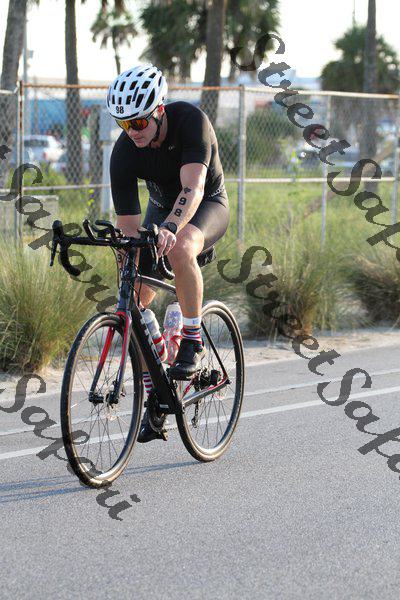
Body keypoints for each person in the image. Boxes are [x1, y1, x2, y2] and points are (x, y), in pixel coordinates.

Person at [107, 64, 230, 441]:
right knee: (131, 301)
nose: (132, 131)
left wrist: (172, 228)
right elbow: (129, 226)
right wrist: (128, 259)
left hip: (205, 205)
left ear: (159, 110)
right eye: (124, 123)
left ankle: (192, 339)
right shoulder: (124, 151)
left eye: (138, 122)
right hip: (160, 212)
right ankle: (158, 393)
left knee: (181, 247)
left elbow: (193, 189)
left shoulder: (191, 122)